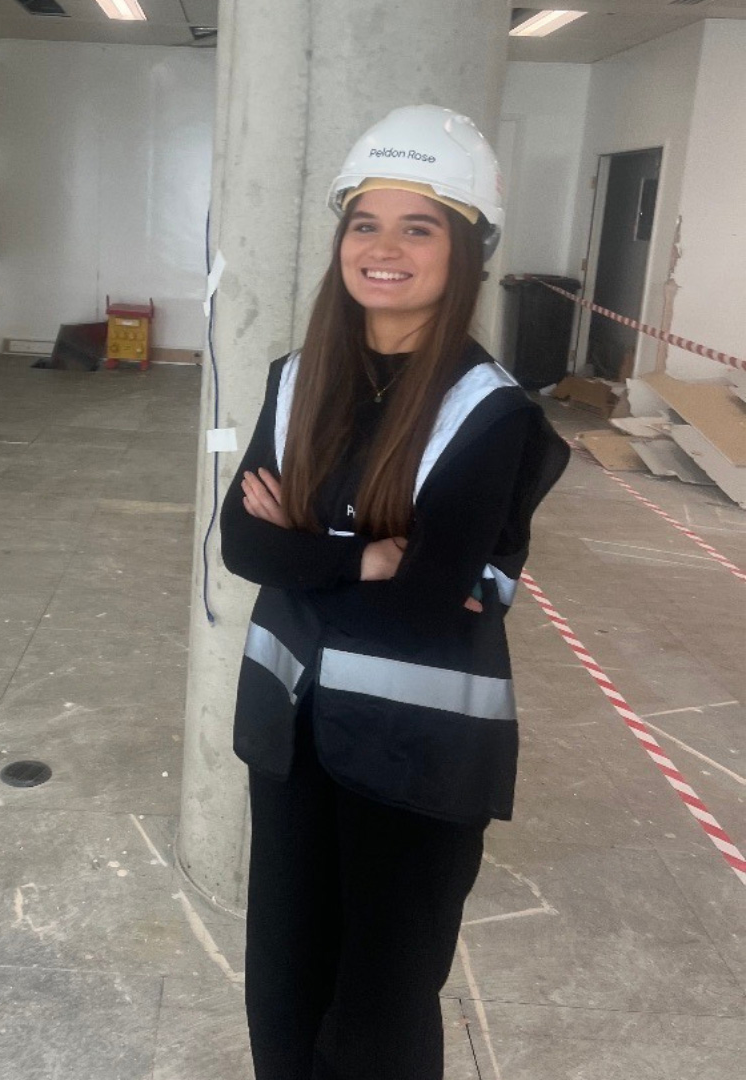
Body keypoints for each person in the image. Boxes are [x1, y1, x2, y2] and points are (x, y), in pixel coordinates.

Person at [219, 104, 570, 1080]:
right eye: (365, 223)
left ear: (465, 251)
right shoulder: (298, 382)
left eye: (419, 227)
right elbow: (243, 544)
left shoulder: (487, 412)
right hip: (293, 741)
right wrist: (359, 556)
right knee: (285, 985)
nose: (385, 249)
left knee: (379, 1005)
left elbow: (421, 608)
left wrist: (306, 541)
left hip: (416, 759)